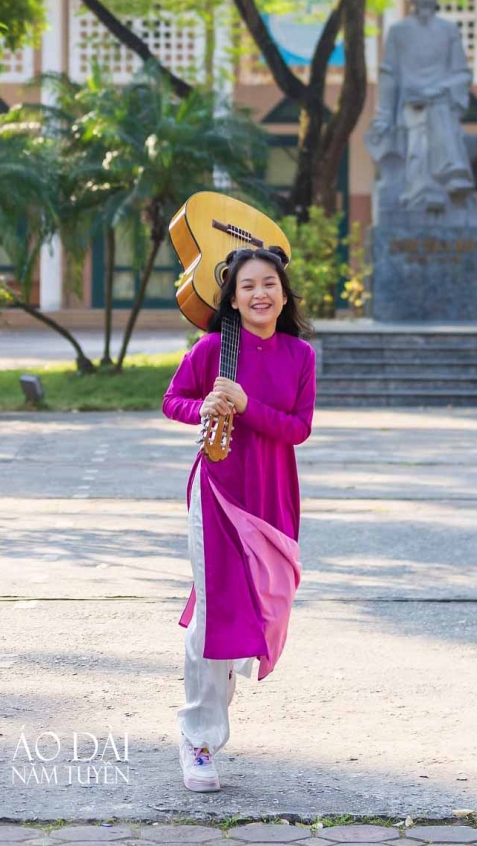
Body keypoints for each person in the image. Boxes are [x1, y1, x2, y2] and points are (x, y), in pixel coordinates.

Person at [161, 245, 316, 793]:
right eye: (248, 286)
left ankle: (215, 692)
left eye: (269, 284)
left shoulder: (300, 355)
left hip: (273, 498)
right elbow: (173, 400)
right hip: (217, 495)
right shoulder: (211, 350)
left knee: (269, 608)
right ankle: (198, 738)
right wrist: (201, 407)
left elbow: (298, 428)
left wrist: (248, 407)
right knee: (215, 614)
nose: (259, 294)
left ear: (284, 295)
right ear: (232, 297)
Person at [365, 0, 475, 213]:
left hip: (442, 101)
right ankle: (440, 180)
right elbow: (389, 74)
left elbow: (461, 73)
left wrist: (440, 89)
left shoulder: (449, 31)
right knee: (420, 137)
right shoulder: (399, 32)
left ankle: (442, 184)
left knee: (437, 113)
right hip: (410, 105)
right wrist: (384, 115)